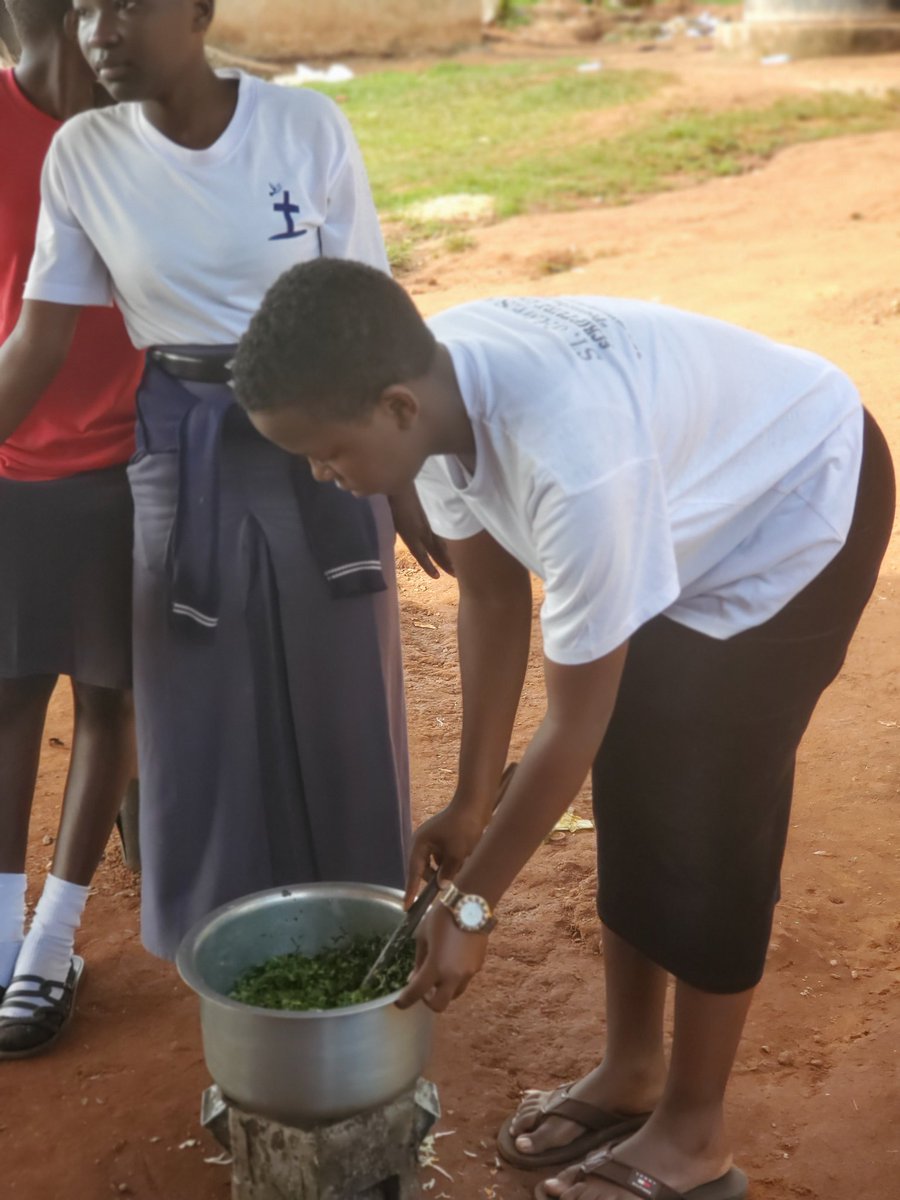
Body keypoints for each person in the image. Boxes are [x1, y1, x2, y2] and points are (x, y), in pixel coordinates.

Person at [230, 258, 895, 1200]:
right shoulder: (439, 397)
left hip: (792, 512)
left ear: (393, 408)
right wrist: (468, 802)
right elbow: (493, 600)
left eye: (325, 452)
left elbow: (571, 724)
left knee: (708, 814)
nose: (320, 474)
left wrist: (473, 908)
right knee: (637, 776)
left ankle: (696, 1138)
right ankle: (633, 1069)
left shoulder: (573, 460)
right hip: (680, 509)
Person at [0, 0, 447, 962]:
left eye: (127, 7)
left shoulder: (302, 126)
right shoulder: (84, 155)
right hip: (182, 441)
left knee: (339, 689)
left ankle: (361, 935)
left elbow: (373, 306)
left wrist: (410, 484)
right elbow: (38, 343)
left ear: (198, 11)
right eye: (85, 10)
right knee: (194, 697)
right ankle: (232, 950)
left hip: (324, 432)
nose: (99, 34)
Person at [0, 0, 144, 1058]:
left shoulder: (143, 130)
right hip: (26, 460)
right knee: (45, 701)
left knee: (92, 697)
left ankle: (42, 944)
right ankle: (19, 940)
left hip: (123, 466)